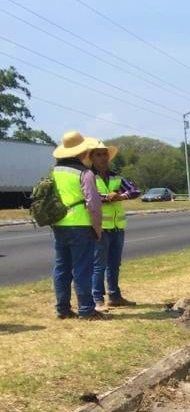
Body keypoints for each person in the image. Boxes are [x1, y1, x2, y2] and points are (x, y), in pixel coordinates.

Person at [50, 131, 106, 320]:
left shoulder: (55, 171)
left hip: (59, 224)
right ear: (82, 152)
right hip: (80, 224)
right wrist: (97, 229)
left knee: (62, 267)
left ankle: (62, 309)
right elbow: (94, 204)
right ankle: (86, 310)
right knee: (82, 268)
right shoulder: (84, 173)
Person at [90, 140, 140, 310]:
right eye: (98, 154)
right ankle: (97, 299)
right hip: (100, 228)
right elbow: (89, 196)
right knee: (99, 265)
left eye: (105, 154)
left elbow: (135, 190)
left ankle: (115, 296)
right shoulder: (89, 176)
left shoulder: (116, 177)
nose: (103, 157)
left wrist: (121, 196)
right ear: (91, 158)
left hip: (117, 227)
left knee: (114, 264)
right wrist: (108, 197)